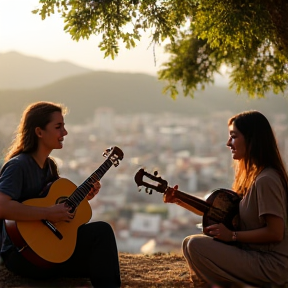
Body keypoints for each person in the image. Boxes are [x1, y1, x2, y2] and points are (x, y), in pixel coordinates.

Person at [0, 101, 121, 288]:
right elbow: (2, 206)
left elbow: (58, 206)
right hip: (22, 255)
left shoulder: (50, 166)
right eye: (58, 127)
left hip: (48, 250)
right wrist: (47, 213)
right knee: (102, 233)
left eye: (63, 126)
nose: (64, 133)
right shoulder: (18, 166)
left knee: (100, 245)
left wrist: (84, 197)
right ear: (39, 132)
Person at [180, 110, 288, 287]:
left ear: (252, 139)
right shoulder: (255, 176)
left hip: (271, 265)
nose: (228, 143)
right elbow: (220, 213)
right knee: (188, 244)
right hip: (256, 256)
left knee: (194, 245)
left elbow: (276, 232)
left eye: (234, 136)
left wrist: (233, 236)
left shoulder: (266, 180)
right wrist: (179, 200)